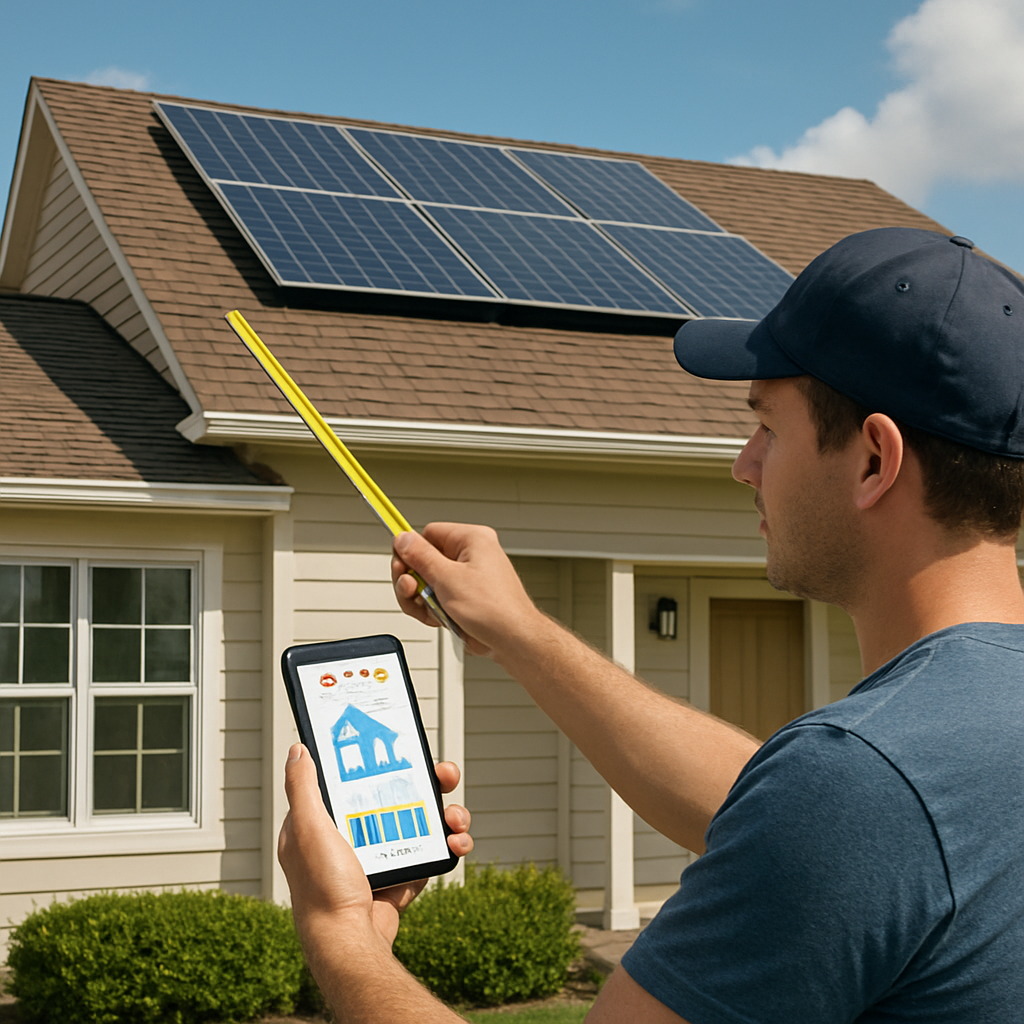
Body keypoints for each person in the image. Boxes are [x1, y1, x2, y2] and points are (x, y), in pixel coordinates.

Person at [278, 227, 1024, 1023]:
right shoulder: (916, 770)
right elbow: (777, 811)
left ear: (875, 460)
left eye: (768, 427)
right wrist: (521, 631)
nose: (744, 463)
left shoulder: (860, 787)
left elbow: (838, 810)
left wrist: (341, 933)